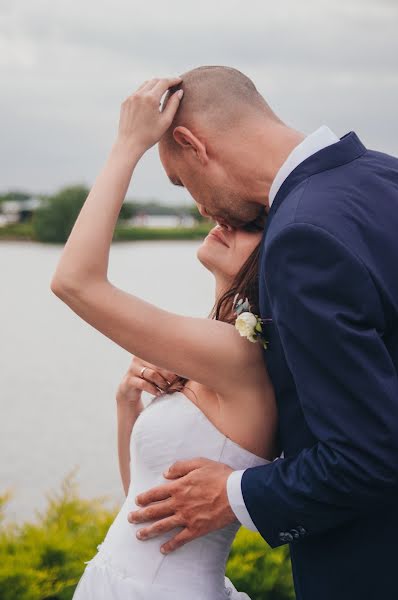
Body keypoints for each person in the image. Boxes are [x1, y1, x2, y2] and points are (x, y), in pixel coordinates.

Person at [125, 66, 398, 600]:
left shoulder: (301, 235)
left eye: (182, 182)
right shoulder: (385, 177)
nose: (200, 207)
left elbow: (367, 454)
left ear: (191, 143)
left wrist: (233, 494)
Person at [50, 75, 278, 599]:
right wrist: (127, 405)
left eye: (252, 225)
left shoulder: (238, 355)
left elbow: (74, 281)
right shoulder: (218, 344)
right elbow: (142, 506)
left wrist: (128, 145)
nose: (221, 219)